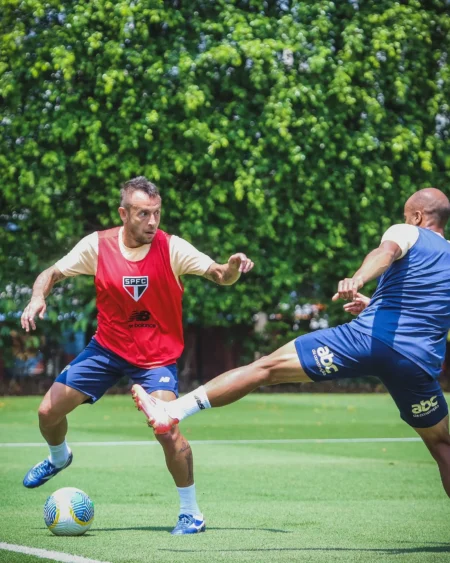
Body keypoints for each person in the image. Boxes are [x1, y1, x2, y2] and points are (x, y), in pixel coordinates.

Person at [133, 187, 450, 498]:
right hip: (418, 363)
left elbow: (385, 252)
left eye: (408, 217)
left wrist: (358, 278)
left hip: (367, 341)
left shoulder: (408, 232)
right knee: (441, 445)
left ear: (419, 216)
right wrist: (376, 307)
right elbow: (429, 309)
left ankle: (172, 411)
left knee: (265, 368)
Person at [20, 176, 254, 535]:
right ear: (124, 213)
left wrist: (233, 268)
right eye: (144, 214)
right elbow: (50, 273)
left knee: (167, 430)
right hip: (106, 350)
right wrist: (38, 297)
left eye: (157, 213)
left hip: (156, 359)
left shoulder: (172, 247)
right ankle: (58, 458)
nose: (152, 222)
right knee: (48, 412)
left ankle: (191, 513)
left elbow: (219, 274)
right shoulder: (97, 246)